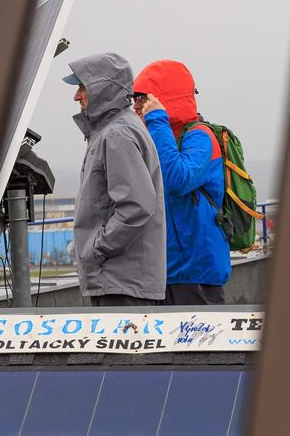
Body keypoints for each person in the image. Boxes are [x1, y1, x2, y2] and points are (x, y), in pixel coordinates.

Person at [63, 52, 167, 306]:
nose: (77, 96)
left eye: (82, 87)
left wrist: (96, 249)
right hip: (122, 279)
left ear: (101, 88)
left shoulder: (116, 134)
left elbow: (136, 206)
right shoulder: (114, 129)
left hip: (121, 282)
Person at [133, 59, 230, 305]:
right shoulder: (160, 136)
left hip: (198, 270)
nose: (136, 105)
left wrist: (157, 120)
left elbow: (178, 180)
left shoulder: (200, 136)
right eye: (134, 98)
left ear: (164, 98)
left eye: (143, 98)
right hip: (166, 270)